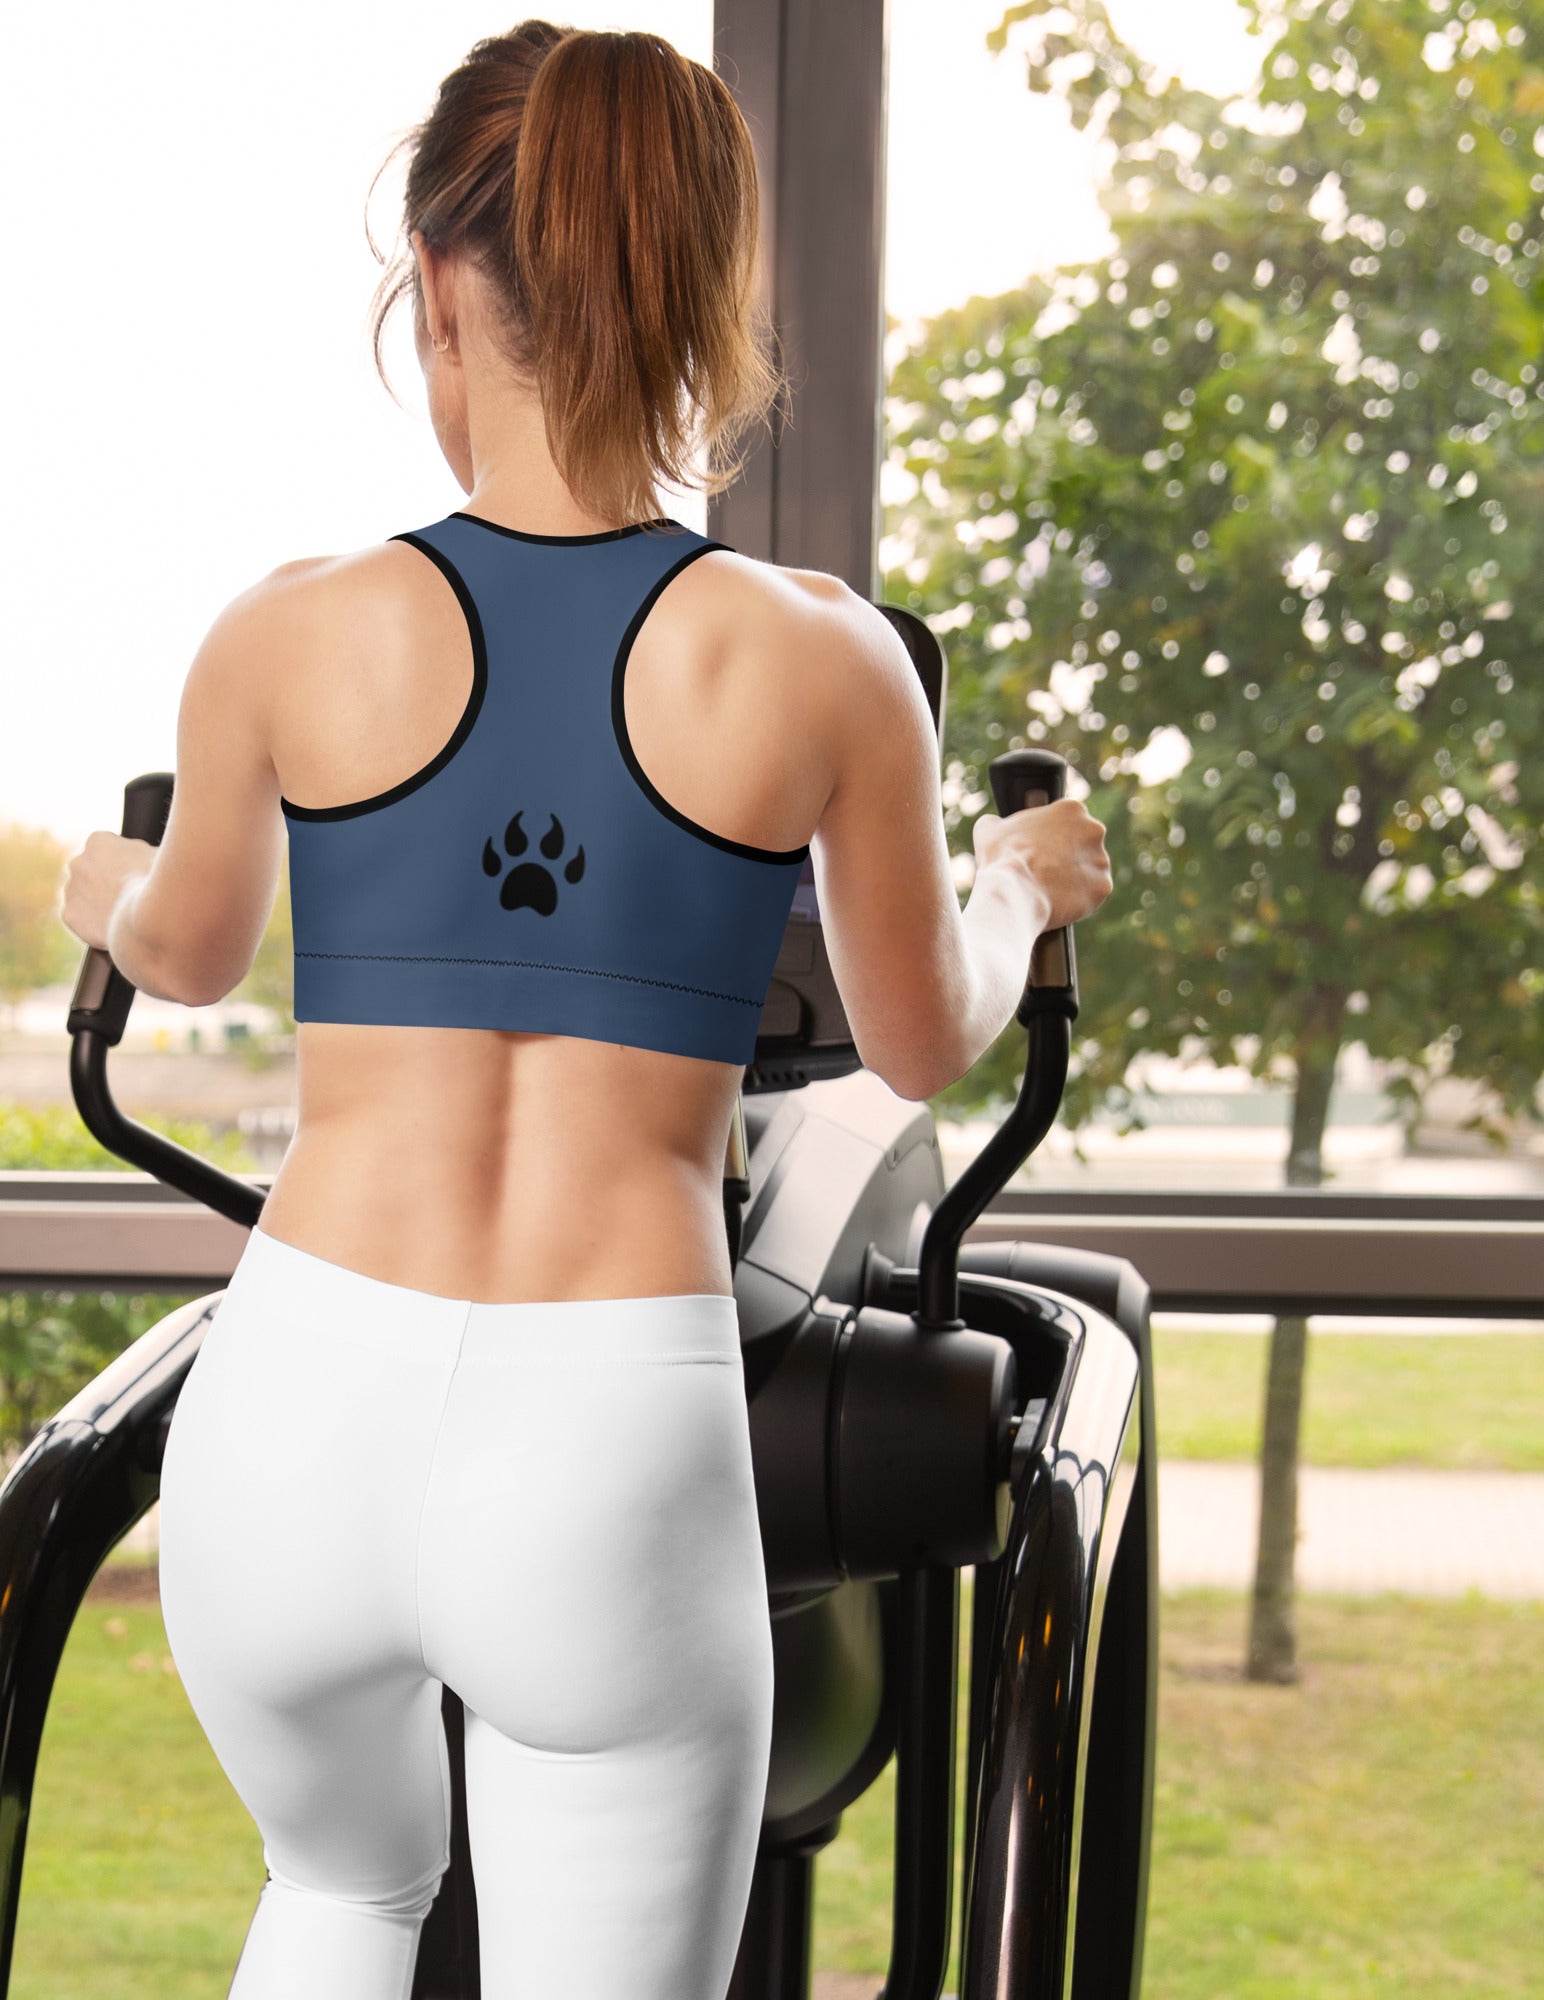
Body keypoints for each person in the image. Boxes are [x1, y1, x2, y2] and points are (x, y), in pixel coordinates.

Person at [59, 19, 1112, 1999]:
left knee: (339, 1899)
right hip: (600, 1431)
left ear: (439, 289)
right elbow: (921, 1036)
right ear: (706, 293)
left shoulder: (286, 629)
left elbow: (183, 949)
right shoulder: (820, 660)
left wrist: (96, 883)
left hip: (293, 1409)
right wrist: (1016, 886)